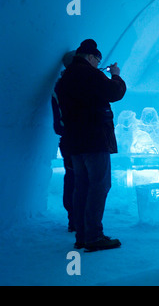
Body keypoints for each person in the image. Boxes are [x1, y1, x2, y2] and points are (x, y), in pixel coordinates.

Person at [55, 39, 126, 252]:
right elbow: (115, 93)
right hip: (94, 140)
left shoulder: (65, 78)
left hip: (74, 142)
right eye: (97, 59)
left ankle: (82, 235)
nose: (98, 63)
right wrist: (115, 74)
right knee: (99, 185)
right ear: (90, 57)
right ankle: (94, 236)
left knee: (82, 187)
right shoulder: (90, 74)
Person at [52, 50, 76, 232]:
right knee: (81, 179)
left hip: (67, 139)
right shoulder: (72, 86)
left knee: (72, 177)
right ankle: (80, 219)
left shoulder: (59, 86)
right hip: (76, 139)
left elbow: (57, 123)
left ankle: (73, 218)